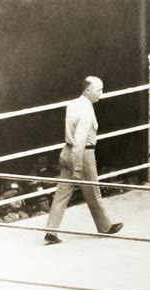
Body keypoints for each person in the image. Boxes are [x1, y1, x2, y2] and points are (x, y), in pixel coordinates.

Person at [44, 76, 123, 244]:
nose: (101, 94)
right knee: (93, 193)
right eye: (98, 90)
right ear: (88, 91)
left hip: (66, 150)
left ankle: (50, 232)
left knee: (61, 194)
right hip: (82, 155)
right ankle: (105, 227)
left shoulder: (72, 104)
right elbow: (80, 140)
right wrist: (78, 167)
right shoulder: (86, 111)